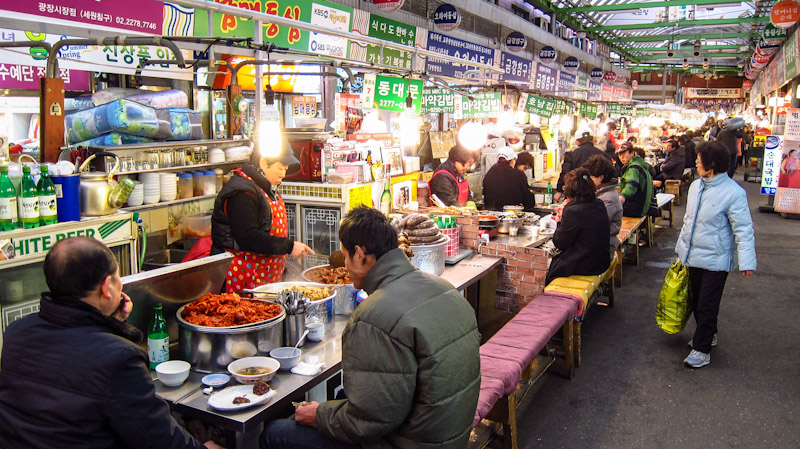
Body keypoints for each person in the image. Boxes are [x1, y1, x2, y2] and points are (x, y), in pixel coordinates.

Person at [261, 206, 481, 449]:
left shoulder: (372, 317)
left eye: (345, 256)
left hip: (408, 443)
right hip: (449, 437)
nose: (344, 265)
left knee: (275, 432)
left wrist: (319, 416)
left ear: (360, 253)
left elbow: (368, 422)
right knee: (341, 397)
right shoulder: (445, 288)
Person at [0, 237, 221, 449]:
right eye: (118, 278)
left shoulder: (16, 332)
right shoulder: (119, 359)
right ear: (107, 287)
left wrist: (112, 324)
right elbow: (157, 439)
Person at [675, 142, 755, 368]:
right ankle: (708, 334)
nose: (696, 162)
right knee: (697, 300)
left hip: (717, 260)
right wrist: (681, 251)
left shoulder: (733, 193)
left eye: (700, 159)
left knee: (707, 304)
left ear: (712, 165)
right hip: (693, 255)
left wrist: (746, 260)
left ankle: (702, 349)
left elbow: (744, 229)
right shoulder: (695, 187)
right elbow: (688, 223)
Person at [211, 150, 314, 293]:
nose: (283, 174)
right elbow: (248, 237)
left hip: (264, 277)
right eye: (280, 168)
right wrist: (289, 246)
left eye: (286, 169)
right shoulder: (242, 193)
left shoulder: (264, 189)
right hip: (240, 278)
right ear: (264, 163)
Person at [546, 168, 611, 286]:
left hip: (586, 264)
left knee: (547, 266)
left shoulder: (573, 211)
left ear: (570, 190)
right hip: (601, 260)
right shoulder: (598, 203)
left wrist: (560, 220)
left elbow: (560, 242)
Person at [583, 155, 622, 257]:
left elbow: (595, 224)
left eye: (591, 178)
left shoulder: (608, 198)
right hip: (599, 243)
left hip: (603, 248)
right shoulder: (602, 193)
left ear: (601, 178)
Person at [556, 131, 611, 196]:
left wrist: (559, 190)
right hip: (598, 194)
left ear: (577, 142)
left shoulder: (571, 155)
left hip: (576, 193)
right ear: (593, 140)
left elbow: (565, 172)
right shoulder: (604, 155)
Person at [482, 146, 535, 211]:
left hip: (491, 213)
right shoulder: (518, 174)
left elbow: (485, 192)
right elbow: (528, 200)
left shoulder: (490, 172)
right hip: (510, 214)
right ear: (512, 160)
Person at [617, 145, 654, 218]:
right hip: (642, 207)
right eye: (620, 154)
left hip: (636, 208)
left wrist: (623, 196)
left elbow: (631, 185)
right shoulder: (640, 164)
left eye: (624, 154)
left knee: (609, 211)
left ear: (632, 153)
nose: (621, 157)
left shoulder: (633, 168)